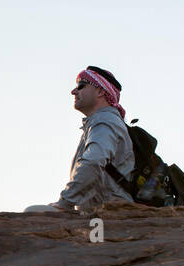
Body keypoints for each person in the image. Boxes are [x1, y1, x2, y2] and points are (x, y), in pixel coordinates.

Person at [24, 66, 135, 213]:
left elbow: (94, 161)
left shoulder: (105, 121)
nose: (73, 91)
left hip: (108, 214)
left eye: (81, 86)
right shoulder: (103, 121)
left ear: (101, 91)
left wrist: (65, 203)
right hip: (101, 212)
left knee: (32, 213)